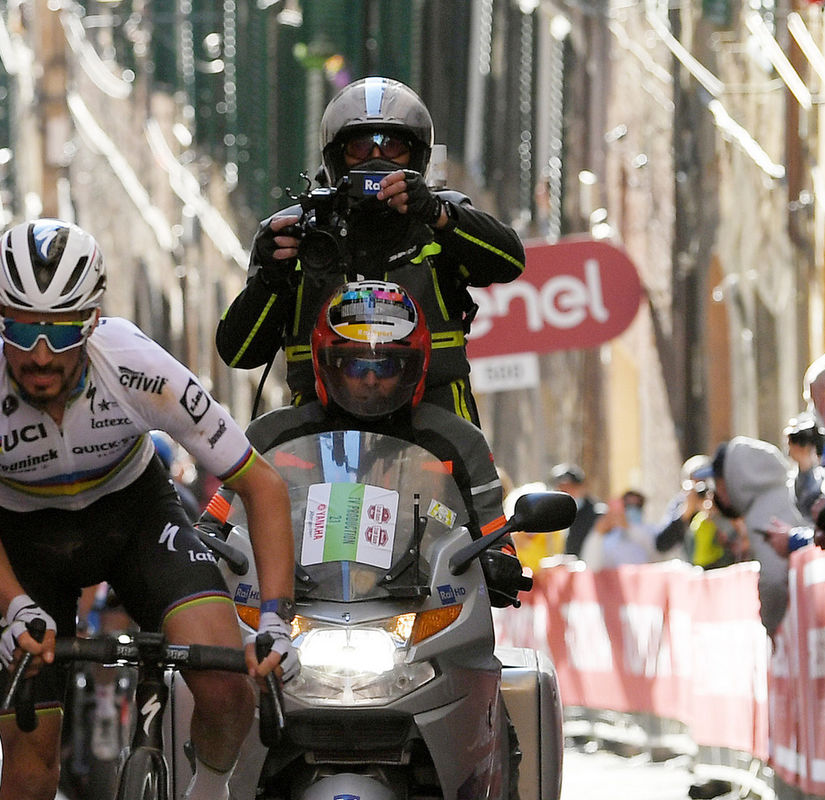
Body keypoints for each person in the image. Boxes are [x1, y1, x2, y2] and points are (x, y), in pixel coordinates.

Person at [0, 219, 296, 800]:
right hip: (24, 543)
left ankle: (209, 791)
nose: (41, 355)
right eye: (22, 328)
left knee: (228, 690)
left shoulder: (138, 367)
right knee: (30, 768)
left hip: (135, 519)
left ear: (92, 321)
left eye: (61, 331)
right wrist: (15, 605)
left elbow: (263, 485)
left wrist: (274, 619)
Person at [215, 76, 525, 425]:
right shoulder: (296, 233)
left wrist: (437, 214)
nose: (376, 160)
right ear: (337, 157)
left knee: (473, 462)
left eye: (392, 147)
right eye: (361, 148)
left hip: (437, 427)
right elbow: (238, 353)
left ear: (417, 156)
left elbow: (511, 261)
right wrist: (270, 280)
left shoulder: (441, 219)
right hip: (319, 434)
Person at [212, 280, 527, 607]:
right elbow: (214, 526)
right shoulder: (269, 435)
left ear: (412, 366)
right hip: (290, 611)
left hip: (426, 611)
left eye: (386, 366)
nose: (371, 379)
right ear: (328, 363)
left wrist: (500, 562)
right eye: (355, 365)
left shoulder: (459, 440)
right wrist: (204, 542)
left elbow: (496, 538)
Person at [709, 437, 813, 637]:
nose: (719, 494)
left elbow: (773, 579)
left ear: (732, 479)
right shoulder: (792, 488)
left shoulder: (762, 514)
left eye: (719, 484)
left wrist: (770, 626)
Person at [584, 489, 656, 569]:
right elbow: (592, 565)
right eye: (628, 505)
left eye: (637, 505)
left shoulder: (649, 531)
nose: (632, 509)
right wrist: (598, 533)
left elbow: (652, 549)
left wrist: (628, 526)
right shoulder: (609, 538)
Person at [549, 463, 603, 559]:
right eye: (561, 489)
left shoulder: (597, 514)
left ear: (581, 487)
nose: (565, 492)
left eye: (570, 487)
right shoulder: (551, 514)